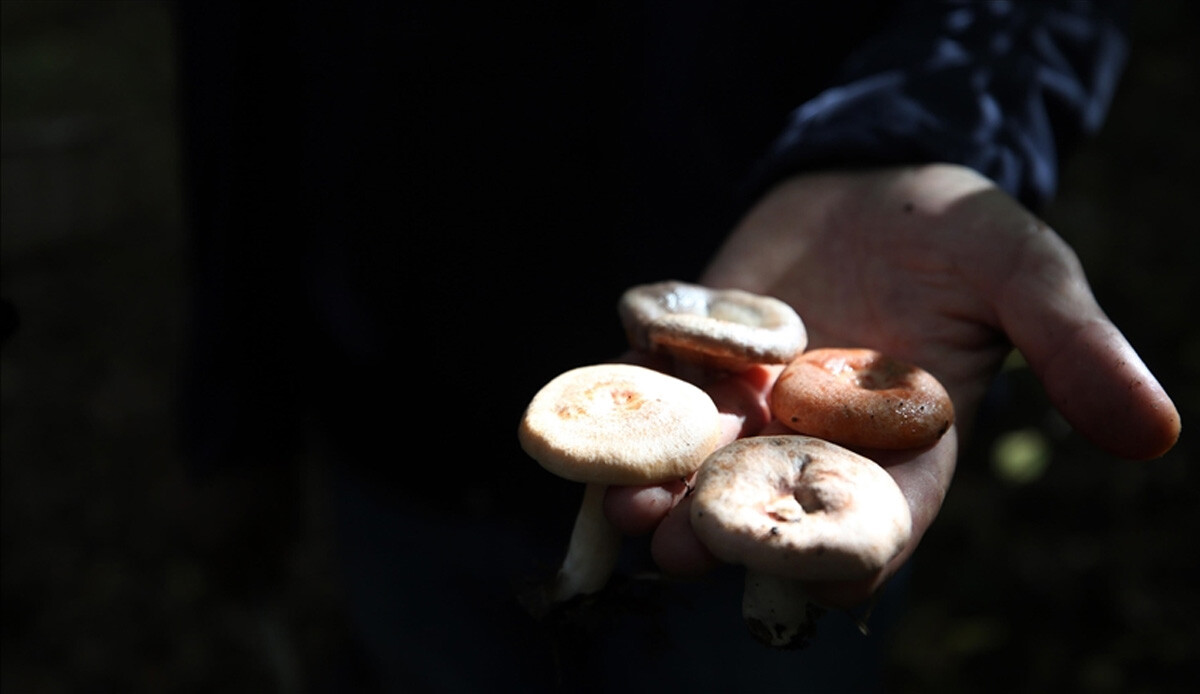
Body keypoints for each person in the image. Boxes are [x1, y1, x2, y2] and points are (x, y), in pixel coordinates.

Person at [173, 1, 1179, 691]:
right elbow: (233, 64)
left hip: (742, 445)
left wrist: (916, 132)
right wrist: (234, 409)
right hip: (396, 426)